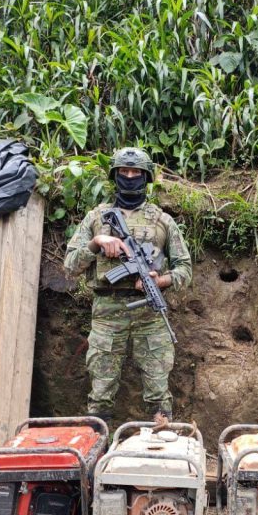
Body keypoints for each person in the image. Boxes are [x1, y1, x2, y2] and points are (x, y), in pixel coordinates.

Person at [64, 147, 192, 424]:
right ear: (115, 175)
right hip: (107, 313)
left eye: (136, 172)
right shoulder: (97, 217)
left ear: (146, 178)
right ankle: (98, 450)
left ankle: (160, 450)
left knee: (158, 392)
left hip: (150, 315)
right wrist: (96, 243)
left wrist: (161, 280)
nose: (130, 177)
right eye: (124, 171)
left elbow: (185, 269)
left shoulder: (162, 221)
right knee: (101, 390)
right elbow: (71, 265)